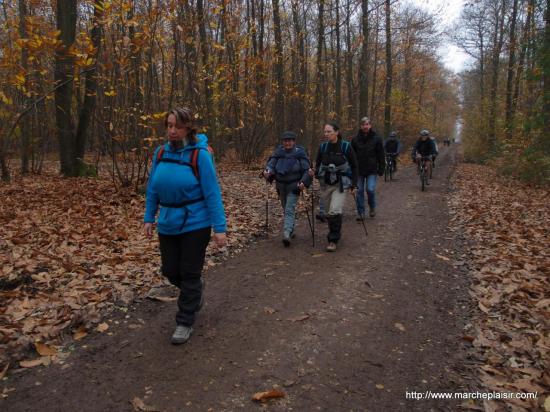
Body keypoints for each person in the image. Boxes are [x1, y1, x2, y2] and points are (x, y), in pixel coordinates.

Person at [144, 107, 227, 345]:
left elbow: (212, 193)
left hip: (196, 221)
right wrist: (149, 218)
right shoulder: (160, 153)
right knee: (170, 270)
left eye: (177, 127)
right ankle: (195, 291)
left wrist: (219, 228)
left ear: (188, 128)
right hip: (168, 221)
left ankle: (184, 321)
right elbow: (153, 189)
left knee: (189, 271)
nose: (172, 131)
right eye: (169, 126)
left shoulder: (199, 155)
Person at [263, 131, 312, 247]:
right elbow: (271, 164)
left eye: (290, 140)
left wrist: (303, 181)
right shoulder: (278, 152)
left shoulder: (300, 153)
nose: (287, 142)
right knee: (286, 208)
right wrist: (267, 171)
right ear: (282, 142)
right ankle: (291, 229)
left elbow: (306, 170)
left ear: (294, 141)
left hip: (294, 186)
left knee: (289, 209)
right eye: (285, 140)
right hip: (280, 186)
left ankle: (286, 233)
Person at [314, 122, 358, 252]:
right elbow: (318, 165)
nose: (326, 134)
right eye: (325, 132)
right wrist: (315, 173)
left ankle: (333, 240)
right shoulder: (322, 148)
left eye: (329, 131)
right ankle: (335, 230)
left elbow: (355, 166)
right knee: (328, 213)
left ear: (337, 132)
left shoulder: (346, 147)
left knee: (335, 210)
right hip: (326, 184)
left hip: (341, 184)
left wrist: (354, 185)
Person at [350, 117, 385, 220]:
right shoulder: (355, 139)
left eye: (367, 124)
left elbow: (381, 154)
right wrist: (351, 169)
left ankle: (372, 207)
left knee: (370, 189)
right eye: (363, 124)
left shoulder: (377, 138)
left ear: (370, 125)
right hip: (359, 170)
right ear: (361, 126)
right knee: (359, 190)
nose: (365, 126)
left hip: (372, 169)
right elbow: (351, 155)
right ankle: (360, 212)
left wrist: (381, 167)